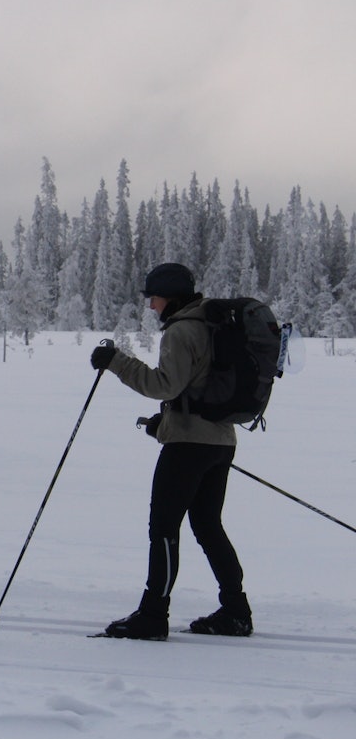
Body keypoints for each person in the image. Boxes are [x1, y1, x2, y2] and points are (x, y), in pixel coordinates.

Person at [89, 263, 252, 640]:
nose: (151, 306)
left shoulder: (182, 331)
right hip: (220, 442)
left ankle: (152, 615)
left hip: (188, 448)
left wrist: (116, 362)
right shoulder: (212, 325)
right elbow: (195, 393)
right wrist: (162, 426)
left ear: (171, 297)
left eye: (155, 298)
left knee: (163, 529)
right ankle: (236, 610)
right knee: (209, 527)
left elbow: (164, 385)